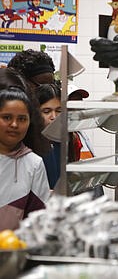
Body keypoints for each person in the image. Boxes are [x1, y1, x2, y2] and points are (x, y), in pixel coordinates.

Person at [0, 86, 50, 231]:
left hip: (12, 249)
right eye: (7, 117)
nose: (14, 124)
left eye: (22, 119)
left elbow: (40, 219)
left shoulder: (33, 163)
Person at [35, 83, 62, 189]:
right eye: (47, 111)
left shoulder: (64, 142)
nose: (54, 117)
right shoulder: (30, 144)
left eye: (59, 111)